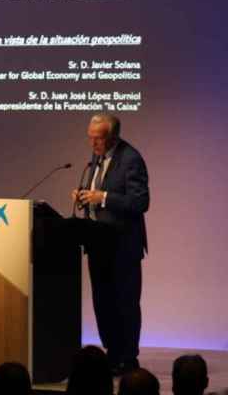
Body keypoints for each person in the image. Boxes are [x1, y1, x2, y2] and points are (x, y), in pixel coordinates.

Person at [70, 114, 150, 375]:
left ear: (113, 136)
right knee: (103, 303)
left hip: (123, 246)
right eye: (90, 137)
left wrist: (102, 197)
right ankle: (113, 354)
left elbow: (140, 202)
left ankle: (128, 358)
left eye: (98, 138)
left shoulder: (131, 159)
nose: (92, 143)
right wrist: (85, 197)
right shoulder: (97, 157)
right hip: (99, 243)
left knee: (124, 303)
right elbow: (98, 191)